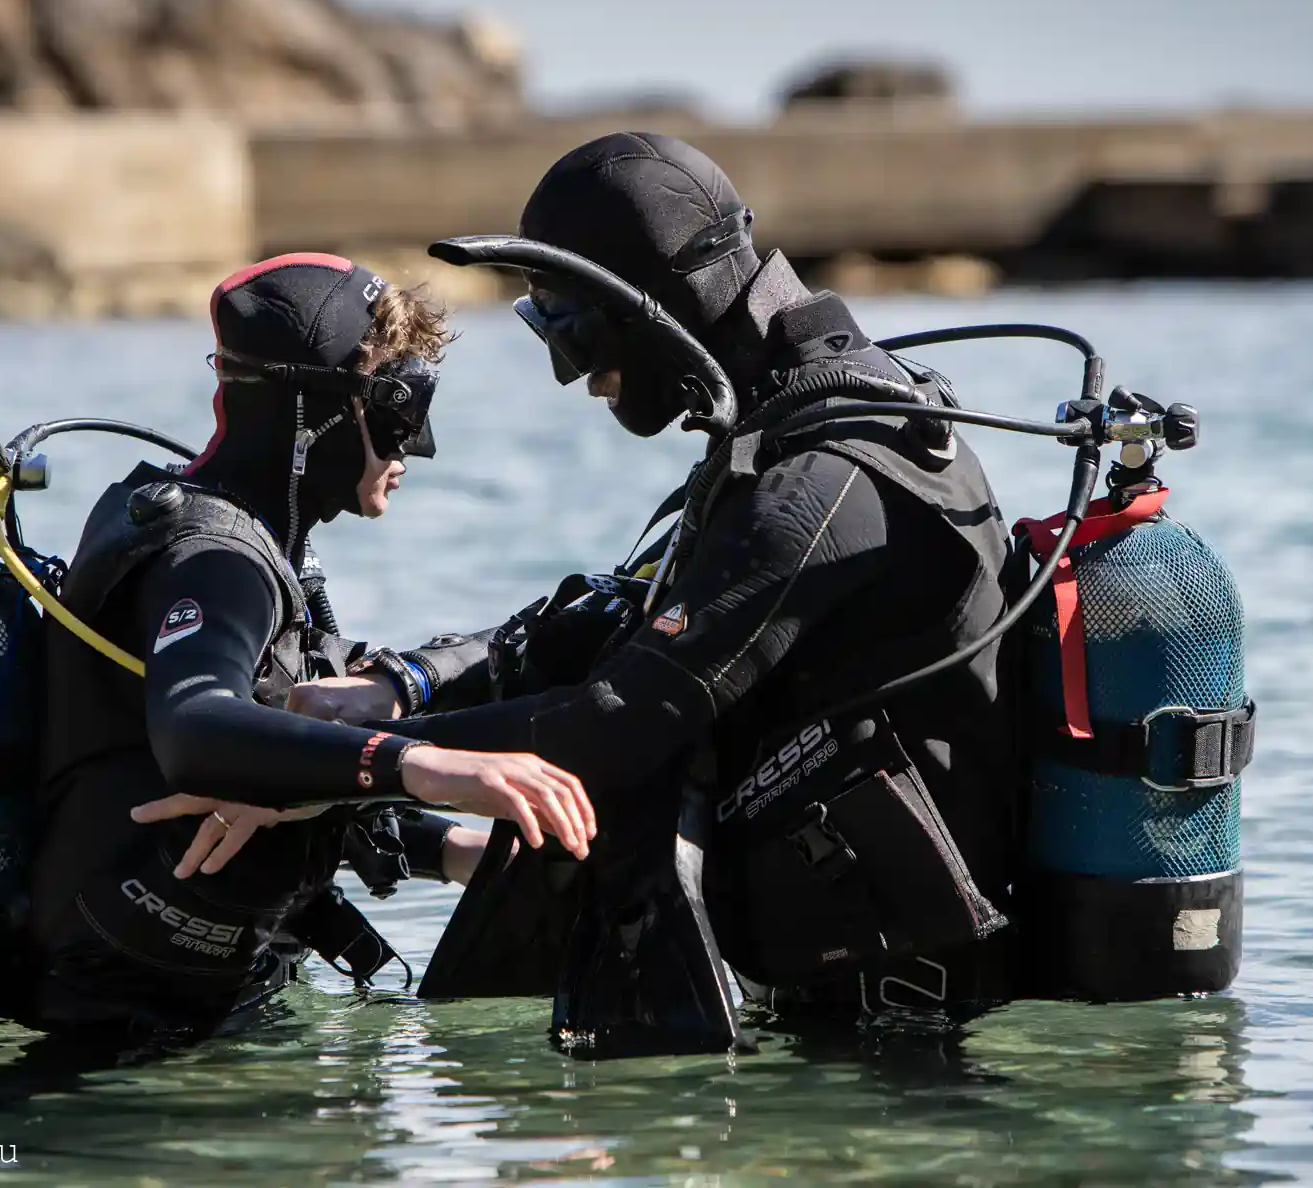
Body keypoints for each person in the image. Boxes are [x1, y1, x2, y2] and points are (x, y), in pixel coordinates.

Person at [267, 134, 1023, 1030]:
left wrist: (342, 772)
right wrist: (394, 689)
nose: (568, 370)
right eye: (542, 327)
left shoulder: (829, 475)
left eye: (574, 325)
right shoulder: (780, 429)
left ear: (659, 304)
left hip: (910, 1040)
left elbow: (616, 723)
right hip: (837, 1002)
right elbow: (612, 616)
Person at [27, 253, 595, 1040]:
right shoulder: (216, 561)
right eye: (400, 411)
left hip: (172, 1007)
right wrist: (424, 767)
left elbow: (275, 768)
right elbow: (196, 728)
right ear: (315, 412)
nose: (416, 446)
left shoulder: (206, 526)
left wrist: (459, 853)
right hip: (139, 1036)